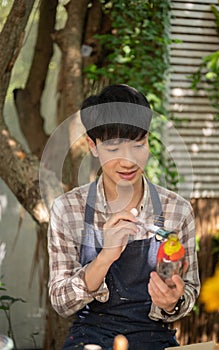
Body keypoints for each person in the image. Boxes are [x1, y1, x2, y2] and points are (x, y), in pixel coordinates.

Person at [48, 84, 200, 350]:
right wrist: (105, 257)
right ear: (93, 146)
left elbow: (189, 291)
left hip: (154, 337)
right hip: (90, 337)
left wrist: (172, 302)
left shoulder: (178, 211)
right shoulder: (67, 209)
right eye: (114, 149)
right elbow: (61, 302)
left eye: (138, 145)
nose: (128, 162)